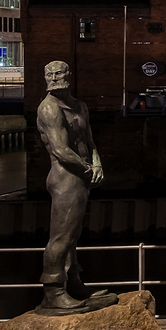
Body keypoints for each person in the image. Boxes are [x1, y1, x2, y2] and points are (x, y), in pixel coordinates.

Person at [35, 60, 118, 316]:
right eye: (49, 74)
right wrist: (88, 170)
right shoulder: (49, 109)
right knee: (61, 236)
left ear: (69, 75)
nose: (54, 77)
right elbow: (60, 150)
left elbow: (89, 140)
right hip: (65, 177)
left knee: (73, 236)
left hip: (80, 176)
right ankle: (53, 293)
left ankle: (73, 283)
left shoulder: (78, 106)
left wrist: (98, 164)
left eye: (58, 73)